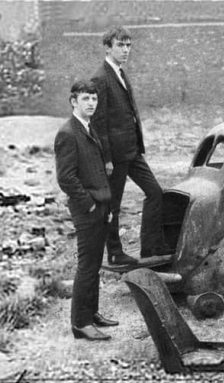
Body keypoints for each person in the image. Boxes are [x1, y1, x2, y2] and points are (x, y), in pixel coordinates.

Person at [91, 26, 171, 265]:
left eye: (128, 45)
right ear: (108, 47)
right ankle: (115, 254)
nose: (125, 50)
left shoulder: (120, 73)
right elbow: (99, 122)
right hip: (115, 155)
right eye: (120, 45)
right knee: (113, 205)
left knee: (155, 192)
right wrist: (105, 159)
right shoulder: (100, 77)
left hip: (132, 151)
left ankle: (150, 248)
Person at [55, 80, 118, 341]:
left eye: (93, 98)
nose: (91, 103)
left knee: (93, 264)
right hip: (87, 209)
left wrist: (108, 205)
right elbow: (66, 178)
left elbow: (100, 172)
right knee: (87, 266)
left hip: (100, 205)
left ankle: (91, 313)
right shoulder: (68, 133)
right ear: (73, 101)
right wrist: (90, 204)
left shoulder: (88, 128)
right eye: (85, 99)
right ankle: (81, 323)